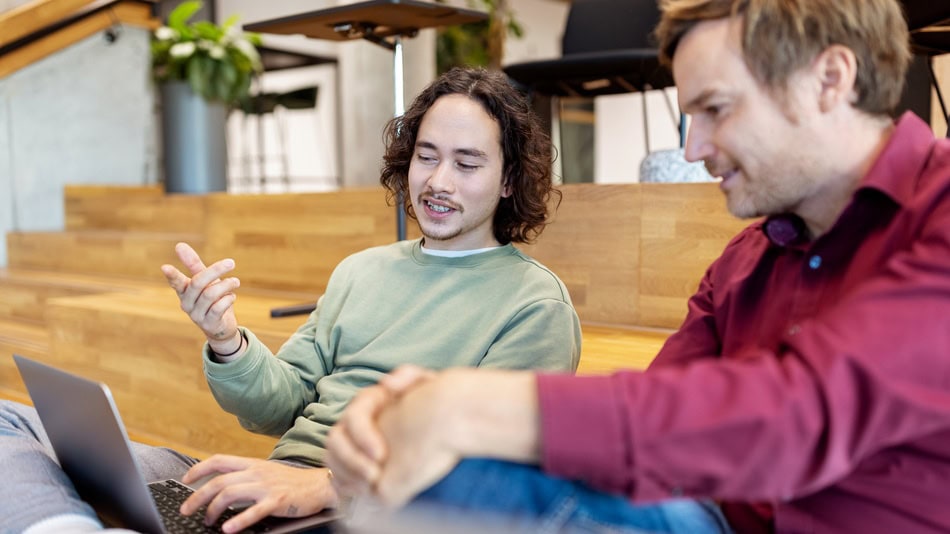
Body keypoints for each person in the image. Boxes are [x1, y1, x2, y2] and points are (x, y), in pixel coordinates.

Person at [325, 1, 950, 532]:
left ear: (830, 79)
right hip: (713, 519)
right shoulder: (743, 264)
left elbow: (804, 411)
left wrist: (474, 404)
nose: (692, 148)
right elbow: (654, 415)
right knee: (439, 476)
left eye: (716, 109)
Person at [0, 67, 581, 534]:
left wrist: (329, 487)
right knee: (6, 418)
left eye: (467, 163)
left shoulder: (534, 305)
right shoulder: (363, 270)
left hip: (357, 512)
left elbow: (491, 474)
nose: (438, 181)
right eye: (427, 156)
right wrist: (227, 341)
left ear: (509, 180)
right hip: (270, 483)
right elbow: (280, 405)